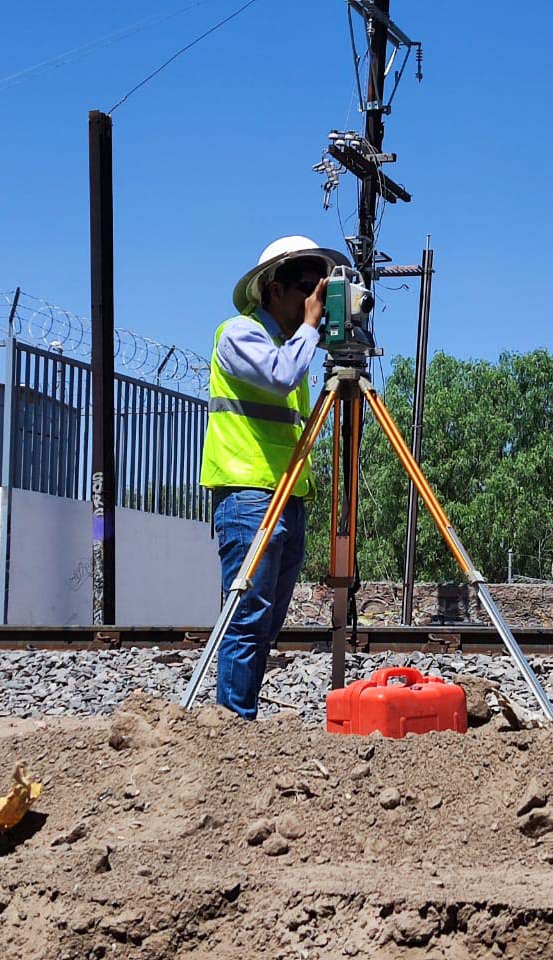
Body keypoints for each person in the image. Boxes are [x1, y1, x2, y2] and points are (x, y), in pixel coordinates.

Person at [200, 236, 351, 718]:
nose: (314, 299)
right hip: (248, 496)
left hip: (288, 498)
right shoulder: (239, 334)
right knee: (247, 621)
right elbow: (280, 376)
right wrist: (311, 328)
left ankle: (241, 721)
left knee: (266, 625)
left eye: (320, 290)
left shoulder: (293, 347)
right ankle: (232, 725)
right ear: (273, 289)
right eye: (307, 287)